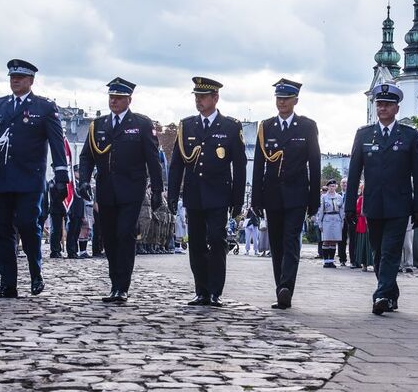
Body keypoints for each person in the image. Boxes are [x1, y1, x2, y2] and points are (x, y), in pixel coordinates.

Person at [0, 59, 69, 299]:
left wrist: (62, 176)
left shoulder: (44, 107)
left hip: (29, 180)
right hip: (1, 178)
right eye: (12, 77)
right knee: (2, 231)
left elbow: (56, 143)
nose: (15, 81)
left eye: (20, 77)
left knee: (28, 226)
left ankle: (35, 272)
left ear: (31, 81)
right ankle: (7, 283)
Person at [78, 78, 163, 302]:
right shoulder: (99, 125)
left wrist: (157, 189)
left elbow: (153, 160)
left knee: (125, 234)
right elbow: (87, 155)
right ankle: (114, 281)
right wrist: (84, 181)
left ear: (129, 100)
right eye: (111, 97)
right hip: (106, 190)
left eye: (118, 98)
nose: (113, 101)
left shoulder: (141, 124)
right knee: (110, 238)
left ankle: (122, 286)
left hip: (131, 190)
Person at [345, 83, 418, 315]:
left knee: (390, 251)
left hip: (399, 204)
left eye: (388, 104)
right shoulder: (364, 134)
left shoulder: (410, 135)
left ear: (396, 108)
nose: (382, 108)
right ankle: (391, 294)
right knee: (379, 251)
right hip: (373, 203)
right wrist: (350, 205)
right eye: (379, 104)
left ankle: (380, 295)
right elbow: (353, 173)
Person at [168, 77, 247, 307]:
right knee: (197, 244)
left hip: (219, 195)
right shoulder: (187, 125)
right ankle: (201, 290)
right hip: (194, 195)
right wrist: (173, 194)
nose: (198, 101)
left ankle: (215, 291)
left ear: (215, 98)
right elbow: (177, 164)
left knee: (216, 239)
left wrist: (237, 199)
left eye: (202, 97)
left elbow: (239, 166)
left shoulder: (231, 127)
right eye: (196, 97)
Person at [251, 78, 321, 310]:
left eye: (286, 98)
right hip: (272, 194)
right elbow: (259, 164)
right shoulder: (266, 127)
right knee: (277, 243)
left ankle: (286, 288)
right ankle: (279, 286)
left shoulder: (307, 126)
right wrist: (256, 199)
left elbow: (314, 162)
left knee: (291, 241)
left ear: (295, 101)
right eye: (279, 98)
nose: (281, 102)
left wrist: (314, 198)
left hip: (297, 194)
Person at [315, 180, 345, 268]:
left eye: (333, 186)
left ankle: (331, 261)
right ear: (328, 187)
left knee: (333, 241)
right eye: (330, 186)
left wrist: (342, 222)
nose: (332, 188)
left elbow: (341, 210)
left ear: (336, 187)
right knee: (326, 241)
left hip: (336, 219)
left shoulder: (339, 197)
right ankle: (326, 261)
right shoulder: (324, 197)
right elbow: (321, 210)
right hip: (327, 219)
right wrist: (319, 222)